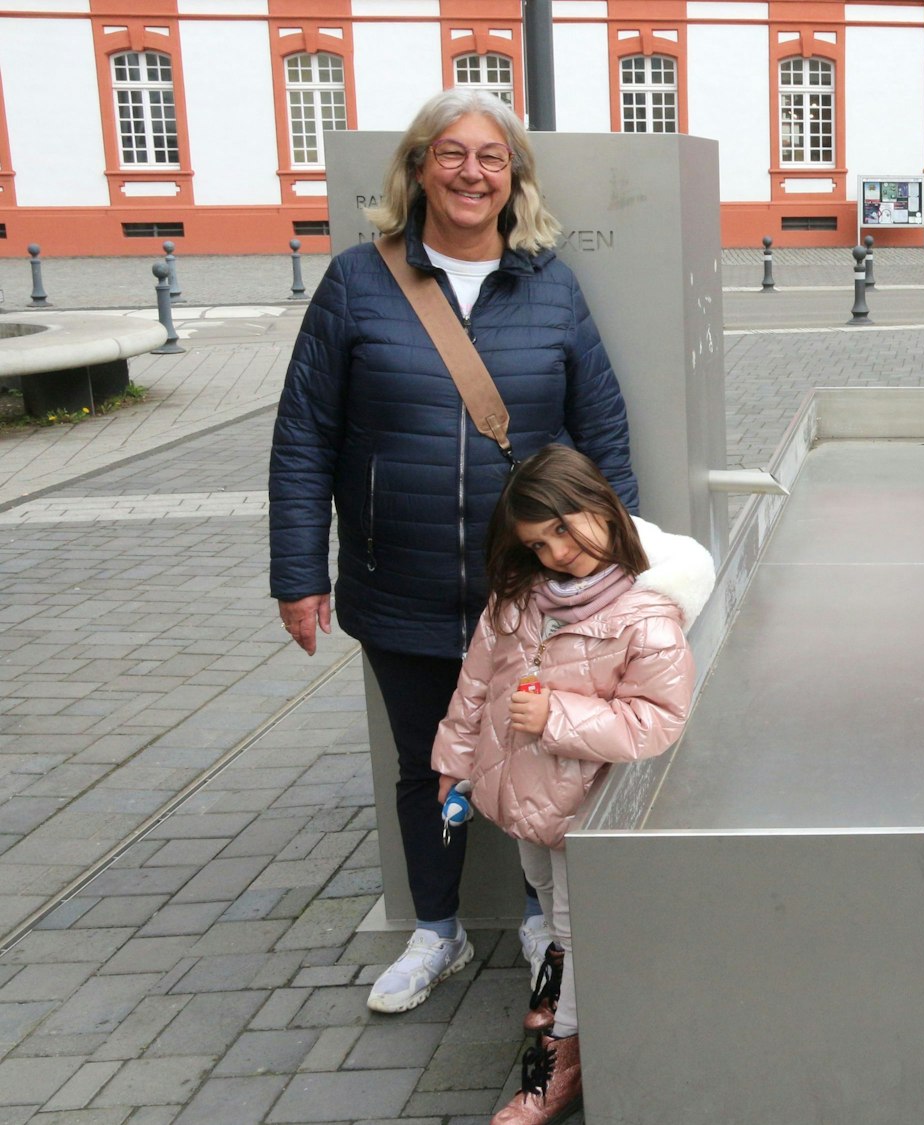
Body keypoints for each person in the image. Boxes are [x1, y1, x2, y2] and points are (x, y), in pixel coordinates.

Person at [268, 87, 638, 1015]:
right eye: (453, 154)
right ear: (419, 167)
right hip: (403, 583)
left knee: (536, 754)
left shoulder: (548, 283)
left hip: (531, 594)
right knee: (425, 761)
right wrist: (297, 572)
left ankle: (533, 915)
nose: (473, 173)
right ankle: (436, 930)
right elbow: (304, 435)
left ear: (513, 178)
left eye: (492, 157)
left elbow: (602, 431)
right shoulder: (358, 281)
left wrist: (617, 574)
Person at [434, 444, 711, 1125]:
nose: (558, 550)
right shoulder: (521, 595)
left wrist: (556, 714)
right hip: (520, 796)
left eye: (566, 526)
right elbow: (477, 681)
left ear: (602, 505)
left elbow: (659, 718)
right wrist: (455, 758)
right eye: (538, 541)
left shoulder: (647, 615)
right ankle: (559, 1004)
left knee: (574, 922)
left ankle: (555, 1067)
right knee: (553, 908)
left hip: (585, 805)